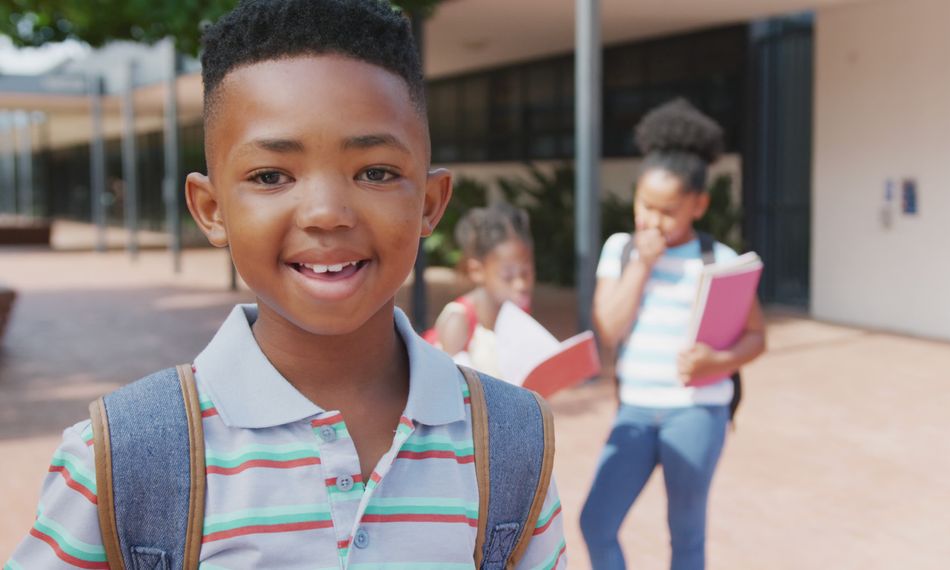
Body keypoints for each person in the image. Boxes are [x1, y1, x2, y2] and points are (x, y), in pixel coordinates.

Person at [4, 1, 566, 568]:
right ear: (211, 209)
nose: (325, 213)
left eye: (375, 172)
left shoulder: (510, 444)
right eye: (271, 176)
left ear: (429, 202)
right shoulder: (123, 457)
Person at [579, 98, 766, 570]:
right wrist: (642, 263)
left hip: (696, 413)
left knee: (685, 535)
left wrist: (716, 362)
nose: (651, 220)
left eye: (668, 211)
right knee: (595, 522)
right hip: (635, 410)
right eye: (645, 205)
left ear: (699, 205)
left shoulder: (720, 261)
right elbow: (608, 328)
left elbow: (756, 336)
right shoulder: (621, 250)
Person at [429, 203, 535, 377]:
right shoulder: (459, 320)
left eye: (527, 272)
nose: (520, 284)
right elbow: (446, 388)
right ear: (477, 271)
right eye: (507, 276)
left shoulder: (518, 312)